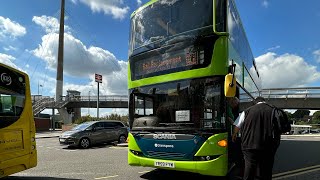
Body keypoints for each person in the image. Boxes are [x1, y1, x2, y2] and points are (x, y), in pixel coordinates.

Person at [232, 96, 280, 180]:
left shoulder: (246, 111)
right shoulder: (274, 110)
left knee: (249, 167)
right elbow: (281, 127)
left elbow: (237, 125)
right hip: (268, 145)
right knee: (266, 169)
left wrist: (234, 135)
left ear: (255, 103)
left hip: (249, 144)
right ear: (264, 102)